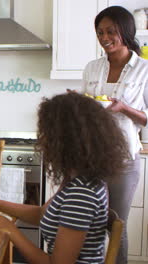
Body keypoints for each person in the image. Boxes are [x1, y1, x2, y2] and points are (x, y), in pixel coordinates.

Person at [0, 93, 129, 264]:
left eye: (47, 132)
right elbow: (42, 215)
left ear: (66, 139)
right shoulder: (77, 179)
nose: (42, 139)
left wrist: (7, 227)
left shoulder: (82, 193)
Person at [82, 6, 148, 262]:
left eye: (111, 31)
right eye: (100, 32)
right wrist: (77, 104)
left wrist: (124, 108)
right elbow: (87, 107)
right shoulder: (92, 67)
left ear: (126, 31)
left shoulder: (144, 69)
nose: (104, 37)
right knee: (88, 221)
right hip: (90, 157)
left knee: (116, 223)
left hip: (123, 159)